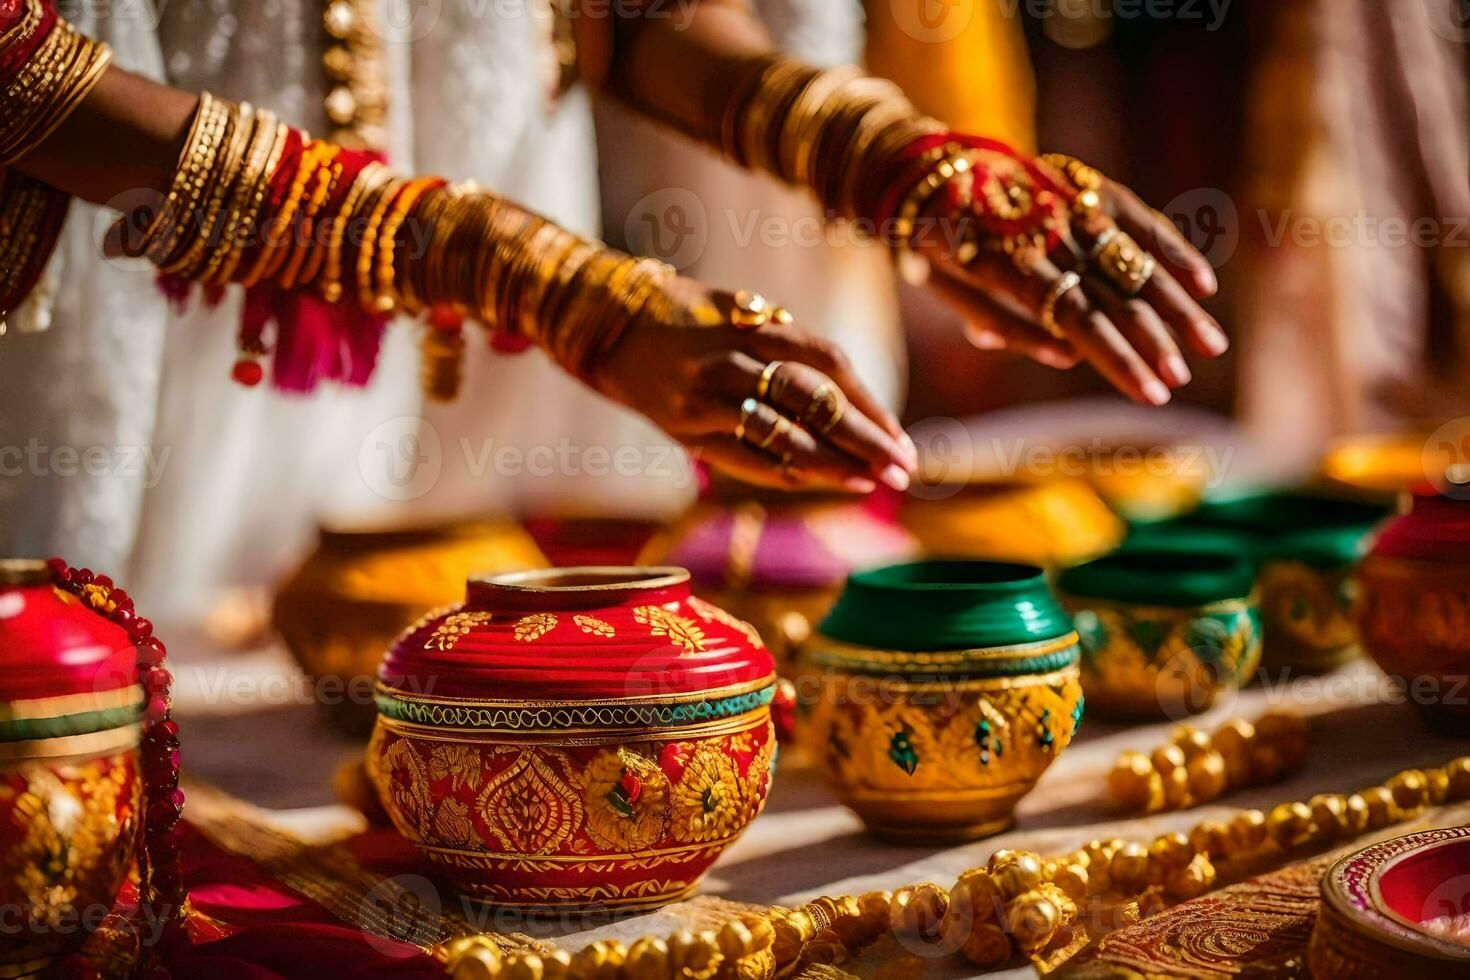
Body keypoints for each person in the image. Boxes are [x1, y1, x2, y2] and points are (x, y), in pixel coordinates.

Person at [0, 0, 1226, 623]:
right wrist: (557, 288)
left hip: (474, 431)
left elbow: (630, 19)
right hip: (126, 390)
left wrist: (896, 169)